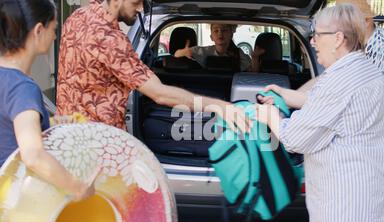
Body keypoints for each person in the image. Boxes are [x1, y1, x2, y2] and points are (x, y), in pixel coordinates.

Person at [254, 4, 384, 222]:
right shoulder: (366, 71)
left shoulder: (338, 81)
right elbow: (334, 110)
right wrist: (284, 95)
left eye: (318, 34)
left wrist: (271, 116)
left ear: (338, 39)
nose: (312, 41)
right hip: (367, 200)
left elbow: (295, 138)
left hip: (342, 211)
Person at [260, 0, 384, 170]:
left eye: (344, 17)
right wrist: (284, 97)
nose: (313, 41)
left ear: (366, 21)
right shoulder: (350, 51)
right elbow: (325, 89)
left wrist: (353, 136)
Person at [56, 0, 249, 133]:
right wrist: (220, 106)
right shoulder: (109, 39)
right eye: (136, 1)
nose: (141, 8)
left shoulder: (77, 17)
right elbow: (160, 94)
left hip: (69, 136)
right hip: (99, 145)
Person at [0, 0, 94, 202]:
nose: (55, 36)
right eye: (54, 29)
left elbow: (7, 128)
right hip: (16, 203)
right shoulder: (22, 88)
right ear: (39, 30)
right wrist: (78, 187)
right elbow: (33, 154)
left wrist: (49, 123)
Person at [174, 23, 263, 72]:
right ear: (211, 37)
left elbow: (253, 73)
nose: (220, 33)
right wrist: (183, 52)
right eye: (216, 31)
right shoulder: (201, 51)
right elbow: (176, 55)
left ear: (231, 35)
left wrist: (255, 58)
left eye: (224, 30)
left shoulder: (238, 53)